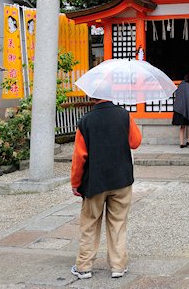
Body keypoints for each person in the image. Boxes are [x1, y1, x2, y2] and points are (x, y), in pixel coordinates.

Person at [70, 99, 142, 280]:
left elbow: (79, 157)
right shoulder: (124, 115)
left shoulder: (86, 121)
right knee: (118, 223)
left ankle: (84, 266)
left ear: (92, 97)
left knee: (89, 223)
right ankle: (118, 266)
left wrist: (75, 182)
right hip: (121, 179)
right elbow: (135, 142)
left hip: (95, 181)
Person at [172, 73, 189, 148]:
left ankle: (181, 143)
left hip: (179, 109)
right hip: (188, 108)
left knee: (182, 126)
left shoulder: (180, 85)